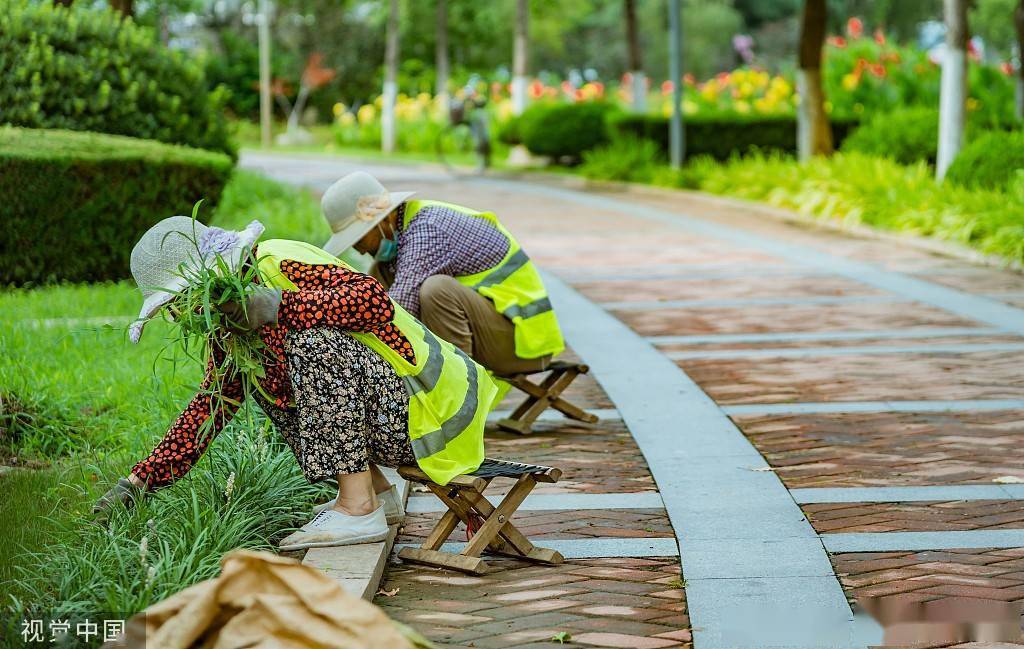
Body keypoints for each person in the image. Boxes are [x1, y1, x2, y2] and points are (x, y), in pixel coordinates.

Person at [93, 212, 497, 550]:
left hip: (433, 406)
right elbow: (212, 406)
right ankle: (375, 493)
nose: (180, 314)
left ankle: (358, 509)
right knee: (263, 373)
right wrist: (140, 479)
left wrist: (277, 306)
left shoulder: (274, 262)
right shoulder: (232, 323)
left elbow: (374, 300)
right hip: (395, 417)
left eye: (179, 300)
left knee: (309, 342)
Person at [320, 171, 565, 378]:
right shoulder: (407, 228)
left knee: (436, 290)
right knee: (377, 277)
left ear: (381, 221)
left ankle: (460, 388)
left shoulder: (428, 231)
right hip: (499, 333)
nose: (359, 249)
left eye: (358, 238)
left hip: (524, 344)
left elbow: (396, 313)